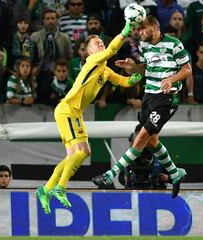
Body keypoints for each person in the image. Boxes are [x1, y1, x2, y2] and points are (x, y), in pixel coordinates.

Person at [36, 22, 143, 215]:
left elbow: (125, 82)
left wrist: (137, 73)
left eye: (101, 42)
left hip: (74, 112)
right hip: (67, 109)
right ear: (88, 50)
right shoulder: (93, 61)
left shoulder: (104, 70)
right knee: (80, 153)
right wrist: (125, 30)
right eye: (96, 43)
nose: (100, 44)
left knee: (81, 152)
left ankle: (46, 189)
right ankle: (60, 188)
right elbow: (111, 50)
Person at [92, 16, 192, 198]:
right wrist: (133, 67)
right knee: (153, 142)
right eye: (138, 30)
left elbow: (187, 69)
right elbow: (145, 69)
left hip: (167, 99)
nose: (139, 33)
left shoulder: (174, 44)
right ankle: (175, 173)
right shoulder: (143, 46)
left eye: (143, 29)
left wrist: (171, 79)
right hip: (149, 97)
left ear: (155, 27)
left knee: (141, 137)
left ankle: (111, 174)